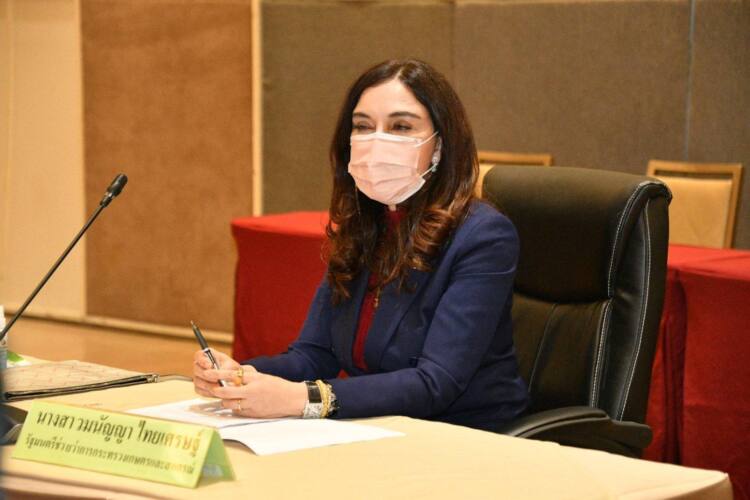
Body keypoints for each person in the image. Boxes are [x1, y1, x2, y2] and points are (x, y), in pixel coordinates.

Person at [193, 59, 529, 431]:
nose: (377, 140)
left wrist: (304, 399)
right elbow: (314, 355)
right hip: (377, 425)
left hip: (464, 434)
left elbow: (435, 382)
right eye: (363, 127)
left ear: (439, 145)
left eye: (401, 126)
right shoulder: (366, 226)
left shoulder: (483, 236)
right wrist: (242, 375)